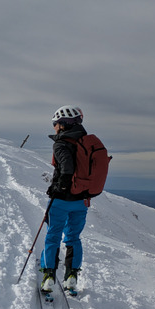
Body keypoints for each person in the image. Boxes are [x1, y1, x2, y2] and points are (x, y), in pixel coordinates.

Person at [40, 105, 89, 293]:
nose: (54, 127)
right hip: (82, 200)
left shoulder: (61, 143)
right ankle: (71, 277)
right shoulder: (86, 143)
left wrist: (59, 188)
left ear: (63, 124)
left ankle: (48, 276)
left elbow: (67, 168)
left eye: (55, 123)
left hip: (61, 200)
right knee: (73, 237)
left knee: (53, 236)